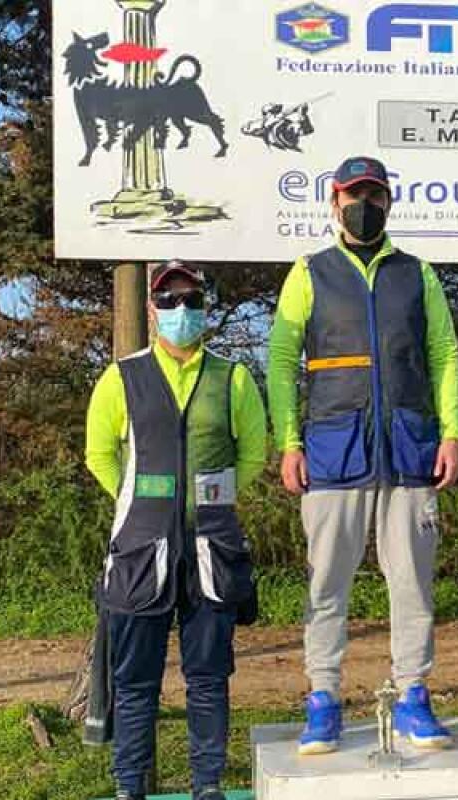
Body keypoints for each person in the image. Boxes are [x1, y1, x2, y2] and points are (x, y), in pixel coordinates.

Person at [267, 156, 458, 754]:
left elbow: (445, 357)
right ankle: (323, 698)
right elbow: (280, 364)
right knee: (327, 584)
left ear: (388, 201)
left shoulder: (418, 273)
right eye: (355, 194)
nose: (365, 204)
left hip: (409, 453)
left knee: (413, 584)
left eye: (375, 194)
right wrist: (289, 443)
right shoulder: (309, 272)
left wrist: (451, 432)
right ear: (334, 200)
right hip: (332, 453)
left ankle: (412, 695)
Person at [85, 261, 267, 800]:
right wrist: (139, 500)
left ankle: (207, 784)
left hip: (213, 551)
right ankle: (129, 786)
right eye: (169, 300)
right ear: (151, 309)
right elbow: (99, 454)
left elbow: (253, 454)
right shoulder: (122, 377)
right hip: (142, 550)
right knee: (135, 682)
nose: (180, 310)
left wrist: (211, 503)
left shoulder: (233, 377)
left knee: (209, 680)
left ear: (204, 308)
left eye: (190, 299)